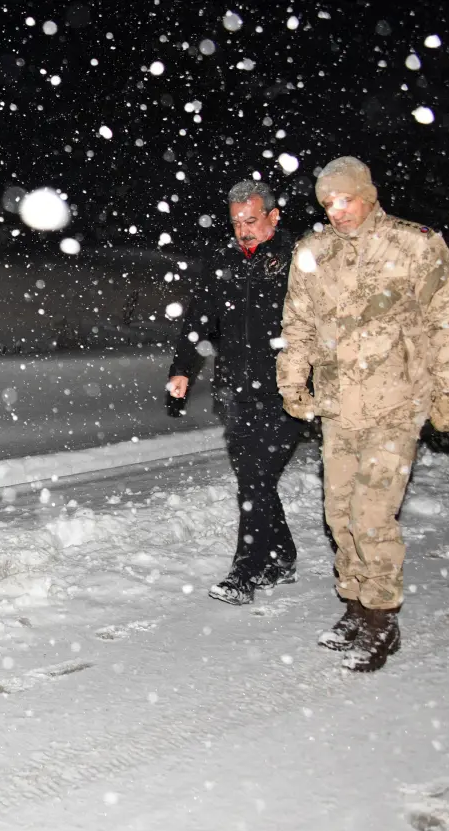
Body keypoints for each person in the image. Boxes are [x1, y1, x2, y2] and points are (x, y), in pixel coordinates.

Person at [277, 156, 449, 672]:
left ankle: (382, 620)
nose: (337, 211)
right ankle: (356, 606)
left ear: (368, 194)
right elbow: (297, 325)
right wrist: (293, 380)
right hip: (339, 407)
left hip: (397, 402)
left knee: (371, 515)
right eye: (328, 203)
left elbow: (448, 320)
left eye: (346, 200)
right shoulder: (312, 253)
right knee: (340, 515)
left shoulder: (415, 245)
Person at [169, 180, 305, 605]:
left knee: (256, 480)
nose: (243, 230)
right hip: (236, 390)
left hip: (287, 389)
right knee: (255, 480)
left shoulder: (299, 260)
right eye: (236, 222)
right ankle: (282, 555)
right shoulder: (223, 261)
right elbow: (199, 321)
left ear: (273, 216)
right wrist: (182, 371)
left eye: (251, 220)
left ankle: (245, 570)